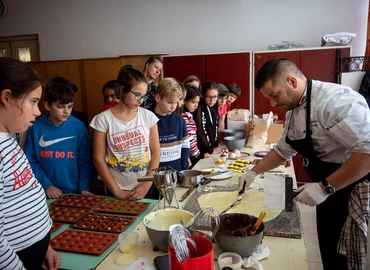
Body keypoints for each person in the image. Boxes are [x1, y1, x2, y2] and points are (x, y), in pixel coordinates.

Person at [238, 58, 370, 270]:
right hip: (328, 190)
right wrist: (253, 172)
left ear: (292, 81)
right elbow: (282, 151)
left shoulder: (334, 102)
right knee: (329, 249)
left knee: (348, 254)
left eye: (274, 95)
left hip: (351, 189)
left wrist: (325, 186)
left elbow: (368, 153)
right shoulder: (293, 111)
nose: (272, 104)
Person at [0, 57, 61, 269]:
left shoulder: (8, 137)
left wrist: (44, 246)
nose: (38, 112)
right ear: (7, 97)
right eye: (33, 102)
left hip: (36, 250)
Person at [90, 65, 160, 200]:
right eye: (137, 95)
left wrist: (146, 184)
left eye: (144, 96)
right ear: (122, 90)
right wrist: (117, 191)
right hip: (114, 188)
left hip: (145, 188)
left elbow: (156, 152)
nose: (141, 100)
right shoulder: (103, 119)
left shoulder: (148, 116)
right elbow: (98, 159)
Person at [25, 81, 95, 199]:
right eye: (60, 107)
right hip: (44, 190)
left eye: (70, 106)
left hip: (75, 191)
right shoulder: (35, 127)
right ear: (47, 106)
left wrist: (84, 187)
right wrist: (47, 185)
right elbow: (30, 161)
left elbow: (86, 161)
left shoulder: (79, 128)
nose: (66, 111)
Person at [153, 77, 190, 171]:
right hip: (155, 176)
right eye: (169, 102)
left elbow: (185, 146)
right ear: (158, 98)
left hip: (177, 173)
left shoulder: (180, 121)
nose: (173, 106)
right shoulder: (149, 120)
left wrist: (183, 167)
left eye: (176, 102)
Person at [182, 85, 209, 168]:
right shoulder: (184, 117)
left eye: (197, 102)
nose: (195, 105)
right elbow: (189, 138)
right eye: (193, 102)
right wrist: (198, 155)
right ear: (184, 100)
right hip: (190, 157)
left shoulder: (189, 115)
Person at [194, 80, 221, 155]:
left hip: (213, 148)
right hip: (203, 151)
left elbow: (215, 125)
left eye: (215, 96)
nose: (212, 100)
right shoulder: (200, 107)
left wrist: (216, 144)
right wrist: (210, 150)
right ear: (203, 95)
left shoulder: (215, 105)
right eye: (209, 97)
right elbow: (201, 131)